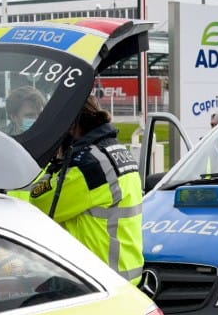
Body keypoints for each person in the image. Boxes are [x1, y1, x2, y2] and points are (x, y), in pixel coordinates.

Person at [29, 96, 144, 285]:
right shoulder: (115, 150)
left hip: (98, 280)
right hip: (123, 276)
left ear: (72, 125)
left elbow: (41, 203)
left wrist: (54, 162)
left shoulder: (88, 166)